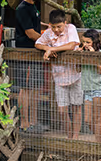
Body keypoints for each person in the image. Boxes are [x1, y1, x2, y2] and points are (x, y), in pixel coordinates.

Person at [35, 10, 81, 139]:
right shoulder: (49, 33)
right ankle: (69, 136)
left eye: (59, 26)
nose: (56, 30)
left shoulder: (71, 28)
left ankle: (76, 138)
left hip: (75, 74)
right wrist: (46, 48)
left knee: (76, 106)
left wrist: (52, 49)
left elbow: (72, 45)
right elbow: (37, 43)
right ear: (50, 25)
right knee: (62, 110)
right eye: (53, 27)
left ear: (65, 23)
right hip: (59, 76)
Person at [15, 0, 47, 134]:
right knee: (25, 88)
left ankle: (34, 121)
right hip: (25, 54)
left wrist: (50, 28)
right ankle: (24, 122)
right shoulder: (22, 8)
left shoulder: (33, 7)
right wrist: (48, 44)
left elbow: (36, 26)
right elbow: (30, 33)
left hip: (35, 54)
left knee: (35, 88)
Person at [79, 29, 101, 143]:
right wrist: (78, 56)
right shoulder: (83, 53)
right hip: (87, 89)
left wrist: (92, 55)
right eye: (84, 42)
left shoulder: (100, 53)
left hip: (98, 88)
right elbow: (77, 69)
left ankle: (98, 142)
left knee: (97, 118)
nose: (85, 45)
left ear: (94, 42)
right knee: (87, 120)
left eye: (88, 42)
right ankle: (100, 140)